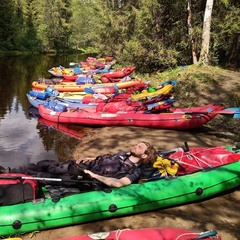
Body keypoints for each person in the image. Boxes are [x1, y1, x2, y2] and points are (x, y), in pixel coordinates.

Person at [0, 142, 157, 189]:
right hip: (85, 167)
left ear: (144, 156)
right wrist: (90, 157)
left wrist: (95, 176)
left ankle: (11, 179)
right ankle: (8, 172)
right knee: (45, 163)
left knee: (46, 175)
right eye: (137, 144)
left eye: (139, 147)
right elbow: (105, 158)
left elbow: (119, 183)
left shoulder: (134, 170)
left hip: (87, 178)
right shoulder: (124, 153)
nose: (135, 146)